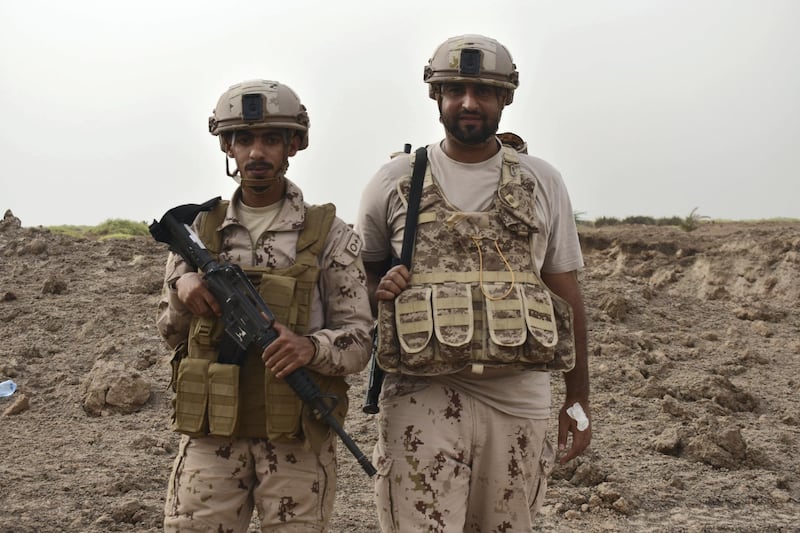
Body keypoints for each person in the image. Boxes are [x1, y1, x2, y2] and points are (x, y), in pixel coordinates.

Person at [355, 35, 591, 532]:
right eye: (455, 89)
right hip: (421, 394)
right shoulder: (394, 181)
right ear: (435, 95)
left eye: (483, 91)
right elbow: (362, 278)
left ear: (506, 97)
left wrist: (578, 398)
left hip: (518, 398)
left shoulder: (541, 180)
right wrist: (382, 290)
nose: (468, 102)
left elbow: (566, 295)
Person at [156, 79, 373, 532]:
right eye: (244, 139)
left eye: (271, 139)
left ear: (293, 144)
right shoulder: (200, 229)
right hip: (211, 433)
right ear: (228, 146)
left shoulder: (327, 233)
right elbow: (171, 334)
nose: (257, 152)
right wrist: (184, 289)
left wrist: (309, 349)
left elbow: (358, 342)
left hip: (294, 437)